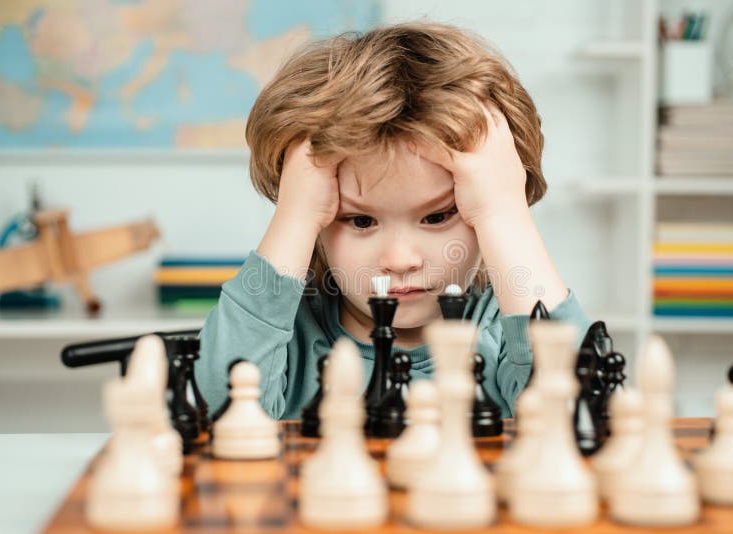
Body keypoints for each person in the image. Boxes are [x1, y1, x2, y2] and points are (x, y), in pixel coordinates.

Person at [196, 22, 591, 419]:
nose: (401, 260)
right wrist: (294, 217)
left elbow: (584, 416)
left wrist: (505, 212)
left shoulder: (505, 327)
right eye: (361, 221)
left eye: (437, 215)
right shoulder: (284, 338)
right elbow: (214, 411)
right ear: (317, 222)